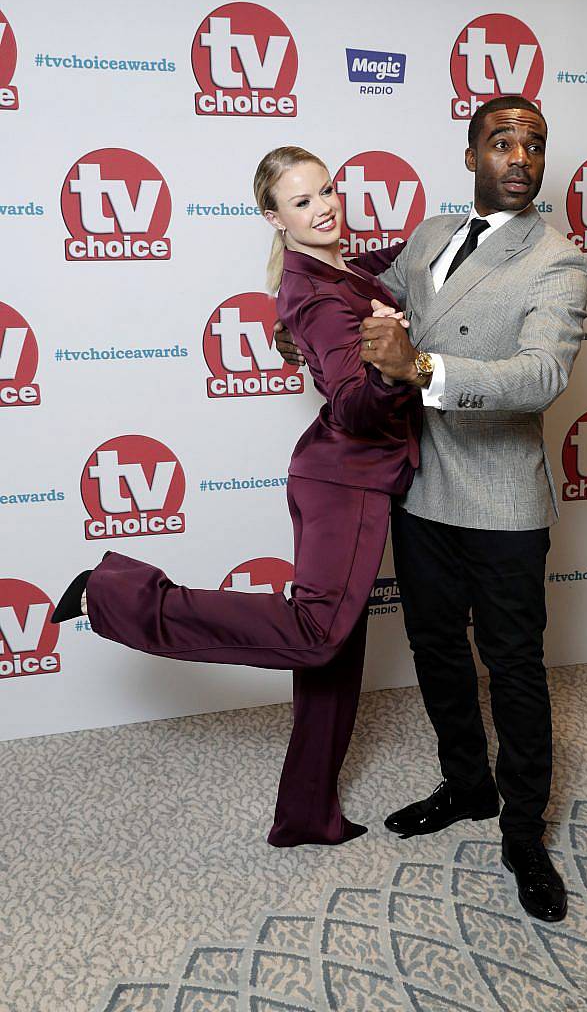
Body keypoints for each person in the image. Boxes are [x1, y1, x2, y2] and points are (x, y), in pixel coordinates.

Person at [275, 97, 587, 920]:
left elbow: (539, 377)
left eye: (534, 144)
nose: (519, 158)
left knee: (515, 672)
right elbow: (352, 296)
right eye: (500, 142)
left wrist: (423, 367)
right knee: (435, 651)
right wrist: (302, 327)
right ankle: (466, 784)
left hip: (502, 501)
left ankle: (523, 834)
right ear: (469, 154)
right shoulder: (429, 233)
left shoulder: (557, 261)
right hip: (420, 493)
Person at [51, 146, 422, 849]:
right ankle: (116, 593)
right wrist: (394, 369)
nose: (324, 207)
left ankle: (307, 813)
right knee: (316, 634)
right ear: (273, 218)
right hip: (344, 482)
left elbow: (394, 262)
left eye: (327, 190)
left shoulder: (340, 268)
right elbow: (351, 404)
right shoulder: (313, 293)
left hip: (339, 480)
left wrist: (460, 232)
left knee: (333, 649)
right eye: (303, 201)